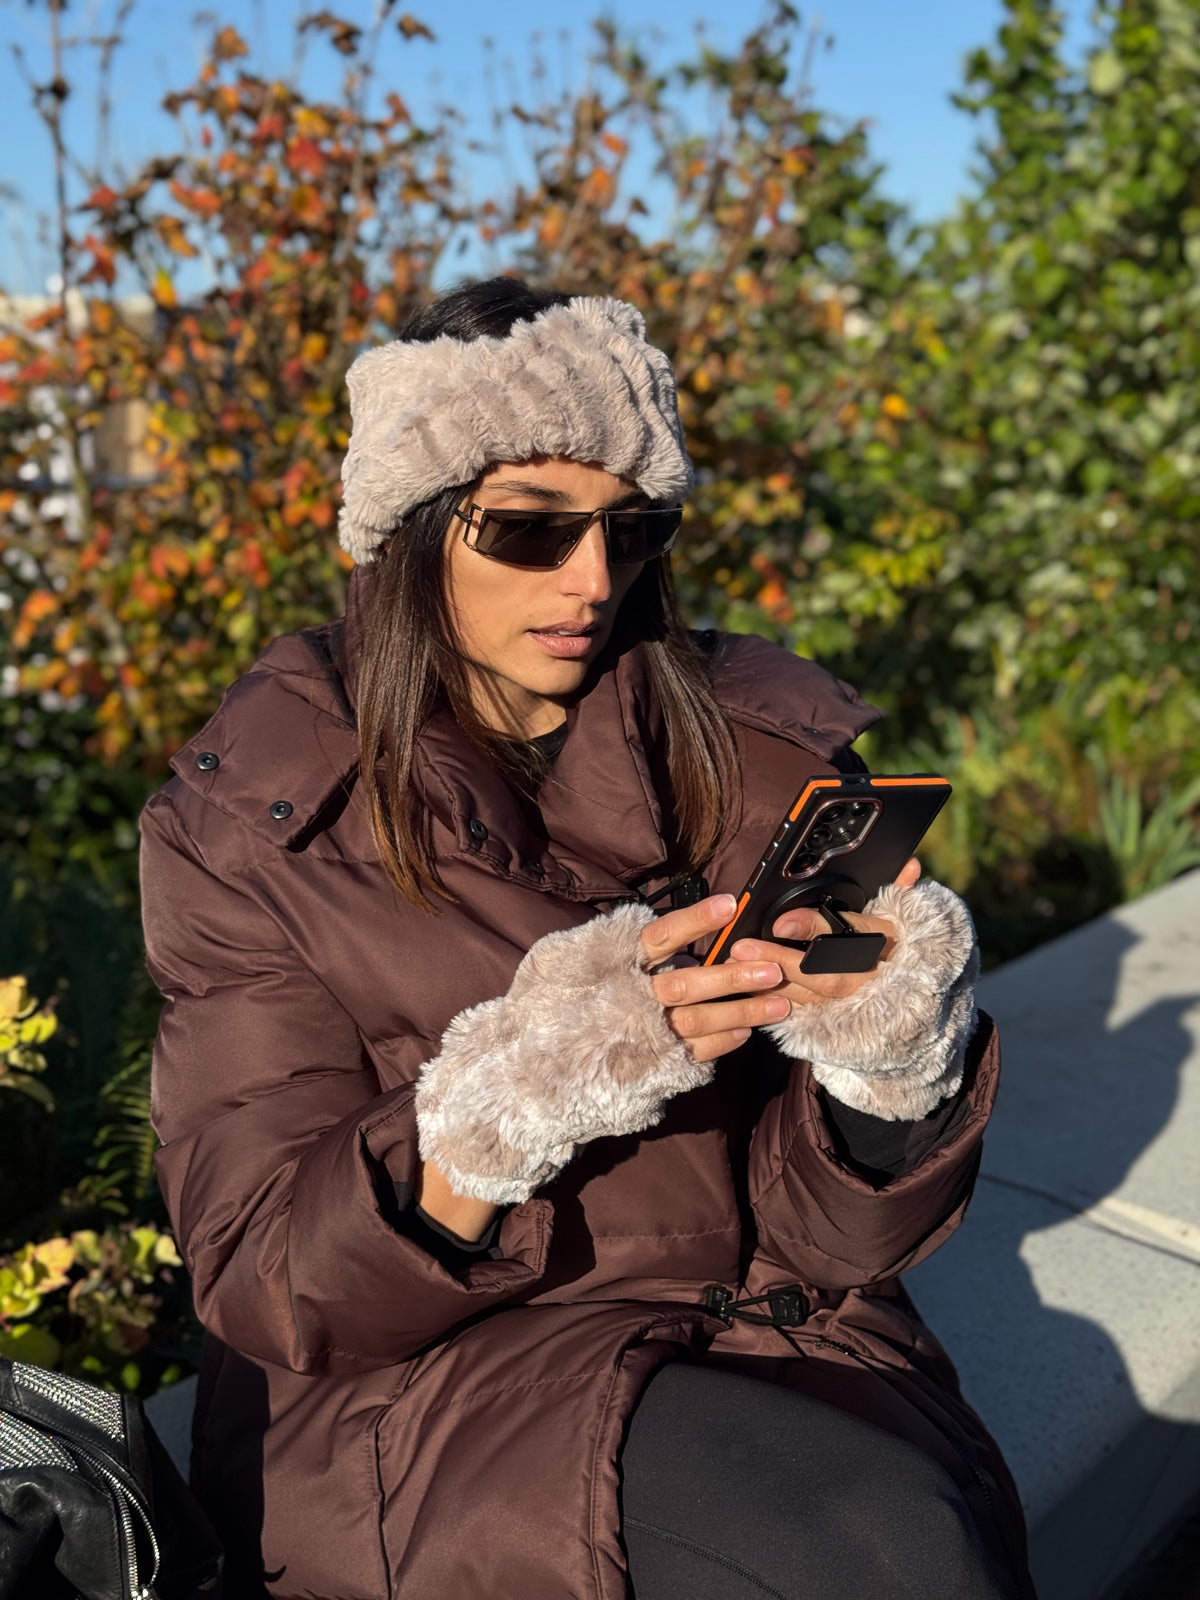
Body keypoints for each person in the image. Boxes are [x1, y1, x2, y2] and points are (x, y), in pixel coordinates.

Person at [140, 278, 1035, 1600]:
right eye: (527, 531)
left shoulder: (758, 751)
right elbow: (265, 1277)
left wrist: (885, 1074)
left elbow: (839, 1247)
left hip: (778, 1333)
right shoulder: (257, 826)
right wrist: (487, 1118)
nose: (592, 582)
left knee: (912, 1544)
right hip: (447, 1377)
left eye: (632, 529)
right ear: (412, 531)